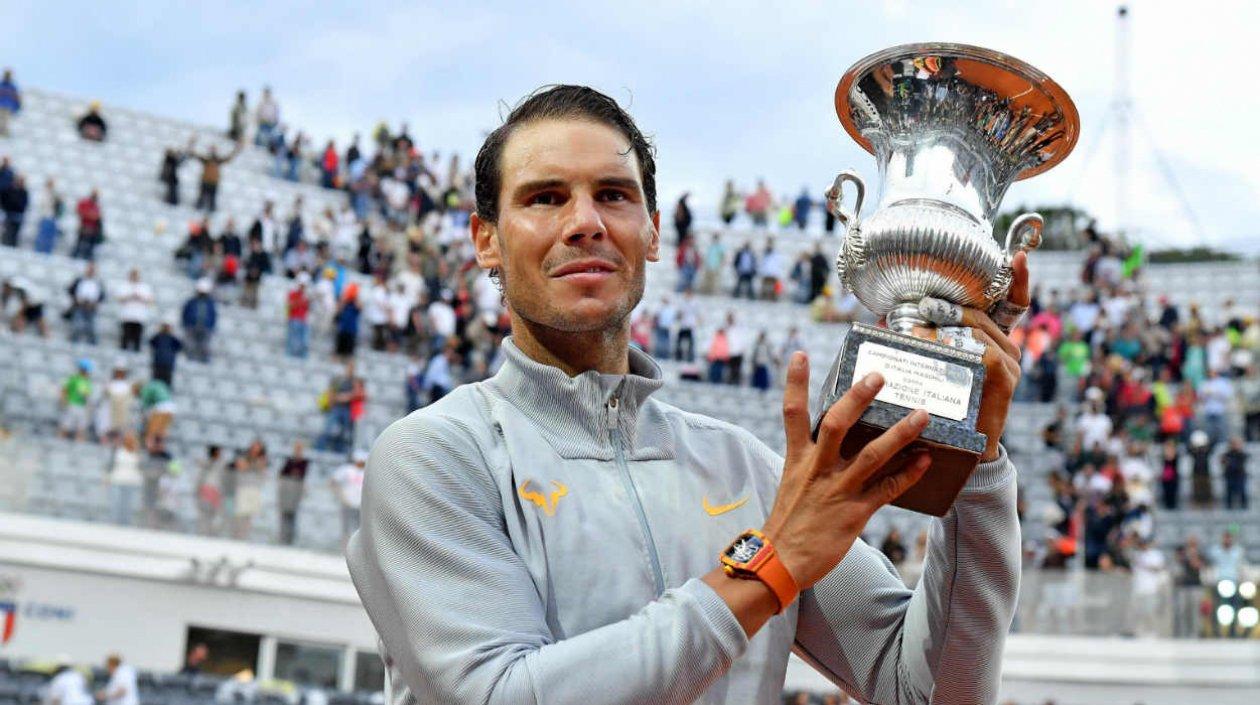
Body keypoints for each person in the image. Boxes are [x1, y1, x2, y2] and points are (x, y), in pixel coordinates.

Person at [346, 85, 1026, 704]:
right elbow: (499, 695)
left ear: (653, 232)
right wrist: (768, 567)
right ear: (485, 240)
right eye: (545, 197)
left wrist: (976, 462)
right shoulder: (432, 456)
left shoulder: (746, 471)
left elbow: (930, 694)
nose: (586, 222)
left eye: (613, 195)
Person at [105, 432, 143, 526]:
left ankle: (126, 524)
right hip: (118, 481)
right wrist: (107, 478)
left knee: (127, 505)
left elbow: (140, 468)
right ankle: (114, 523)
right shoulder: (118, 452)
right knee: (116, 504)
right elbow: (110, 466)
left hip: (130, 482)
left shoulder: (136, 454)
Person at [332, 449, 367, 550]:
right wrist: (340, 495)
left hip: (361, 505)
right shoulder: (346, 469)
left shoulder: (367, 472)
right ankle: (344, 549)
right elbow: (333, 482)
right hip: (347, 502)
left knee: (359, 529)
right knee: (346, 528)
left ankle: (355, 550)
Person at [192, 142, 243, 212]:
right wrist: (192, 143)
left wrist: (236, 150)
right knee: (201, 197)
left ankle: (211, 210)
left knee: (212, 199)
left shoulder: (218, 160)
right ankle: (198, 208)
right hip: (205, 181)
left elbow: (229, 158)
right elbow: (195, 155)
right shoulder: (206, 160)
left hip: (213, 182)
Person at [277, 440, 309, 546]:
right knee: (284, 515)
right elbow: (282, 473)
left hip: (295, 493)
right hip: (286, 492)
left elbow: (300, 475)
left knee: (293, 516)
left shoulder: (304, 462)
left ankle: (290, 539)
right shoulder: (289, 461)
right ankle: (282, 538)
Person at [116, 268, 154, 352]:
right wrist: (130, 296)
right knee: (125, 337)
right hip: (127, 316)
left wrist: (139, 297)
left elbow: (150, 301)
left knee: (137, 338)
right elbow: (119, 299)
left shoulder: (144, 287)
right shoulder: (124, 286)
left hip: (139, 317)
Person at [66, 262, 105, 345]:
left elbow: (102, 296)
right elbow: (71, 291)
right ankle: (73, 343)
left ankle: (93, 346)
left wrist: (94, 303)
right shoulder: (79, 280)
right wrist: (76, 300)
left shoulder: (98, 282)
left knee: (92, 328)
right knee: (77, 326)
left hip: (92, 308)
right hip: (79, 306)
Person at [181, 279, 218, 363]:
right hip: (192, 326)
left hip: (206, 327)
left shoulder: (210, 303)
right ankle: (190, 358)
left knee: (204, 345)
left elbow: (213, 316)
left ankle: (203, 359)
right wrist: (186, 324)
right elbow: (185, 312)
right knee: (190, 343)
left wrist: (211, 327)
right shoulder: (191, 301)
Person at [58, 359, 94, 442]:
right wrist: (64, 400)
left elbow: (87, 395)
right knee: (65, 426)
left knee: (81, 429)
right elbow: (65, 390)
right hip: (72, 404)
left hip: (81, 406)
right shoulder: (74, 379)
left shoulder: (87, 381)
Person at [195, 446, 227, 536]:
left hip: (215, 492)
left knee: (214, 514)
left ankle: (210, 533)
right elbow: (200, 479)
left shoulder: (221, 465)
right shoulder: (206, 464)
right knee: (205, 514)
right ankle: (203, 532)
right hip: (206, 491)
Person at [149, 317, 183, 387]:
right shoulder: (158, 337)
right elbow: (151, 342)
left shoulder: (172, 338)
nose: (166, 328)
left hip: (168, 364)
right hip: (158, 363)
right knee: (156, 382)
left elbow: (180, 346)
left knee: (166, 384)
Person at [285, 272, 312, 358]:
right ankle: (289, 356)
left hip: (303, 319)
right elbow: (290, 306)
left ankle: (302, 358)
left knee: (304, 342)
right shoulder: (293, 293)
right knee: (292, 340)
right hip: (294, 318)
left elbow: (308, 308)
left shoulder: (307, 295)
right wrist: (301, 300)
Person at [34, 178, 63, 253]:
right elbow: (45, 205)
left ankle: (46, 252)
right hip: (45, 217)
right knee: (43, 237)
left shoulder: (54, 194)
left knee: (49, 238)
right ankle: (39, 250)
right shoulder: (44, 194)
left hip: (52, 218)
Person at [73, 190, 103, 260]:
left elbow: (97, 216)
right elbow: (79, 210)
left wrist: (92, 216)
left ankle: (88, 256)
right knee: (79, 242)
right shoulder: (84, 203)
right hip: (84, 226)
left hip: (92, 229)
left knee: (91, 243)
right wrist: (89, 215)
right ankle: (75, 255)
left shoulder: (96, 206)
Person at [1221, 436, 1250, 510]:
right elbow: (1224, 463)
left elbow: (1238, 465)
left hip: (1239, 477)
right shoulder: (1227, 454)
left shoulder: (1242, 454)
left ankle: (1244, 508)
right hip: (1230, 477)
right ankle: (1228, 509)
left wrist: (1229, 463)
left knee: (1242, 493)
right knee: (1229, 494)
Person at [1, 173, 28, 246]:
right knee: (7, 233)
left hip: (18, 215)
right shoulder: (9, 189)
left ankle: (12, 245)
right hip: (9, 214)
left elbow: (23, 204)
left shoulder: (24, 192)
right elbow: (4, 200)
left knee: (14, 234)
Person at [0, 68, 20, 137]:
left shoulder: (12, 87)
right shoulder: (1, 85)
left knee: (5, 120)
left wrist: (17, 106)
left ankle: (4, 133)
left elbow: (16, 97)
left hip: (8, 106)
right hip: (1, 105)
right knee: (2, 119)